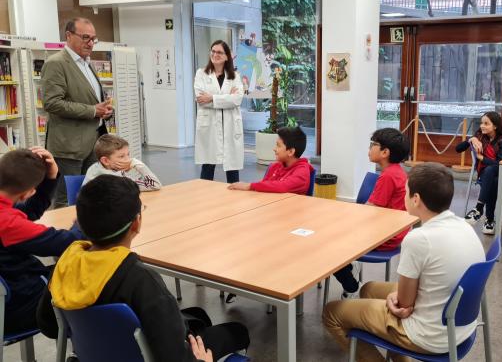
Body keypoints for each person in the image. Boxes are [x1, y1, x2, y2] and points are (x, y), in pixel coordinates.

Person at [36, 176, 250, 362]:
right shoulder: (141, 279)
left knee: (198, 316)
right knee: (237, 331)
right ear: (136, 224)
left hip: (95, 353)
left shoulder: (66, 264)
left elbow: (50, 326)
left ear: (80, 223)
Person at [322, 163, 485, 362]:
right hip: (459, 326)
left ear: (416, 199)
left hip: (429, 336)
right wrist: (396, 296)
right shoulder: (463, 226)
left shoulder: (419, 239)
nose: (404, 197)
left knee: (332, 313)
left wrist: (397, 297)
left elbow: (405, 304)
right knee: (369, 289)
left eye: (406, 192)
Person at [0, 148, 83, 335]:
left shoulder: (6, 214)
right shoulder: (8, 224)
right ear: (28, 193)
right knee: (90, 281)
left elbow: (27, 214)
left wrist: (50, 178)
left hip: (9, 294)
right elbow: (69, 242)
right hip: (16, 307)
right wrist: (83, 220)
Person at [42, 17, 113, 207]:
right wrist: (92, 111)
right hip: (68, 147)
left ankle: (83, 233)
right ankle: (64, 236)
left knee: (89, 196)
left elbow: (89, 98)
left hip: (93, 142)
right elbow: (52, 103)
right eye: (85, 38)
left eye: (94, 39)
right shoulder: (56, 63)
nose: (90, 43)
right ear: (68, 36)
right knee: (66, 200)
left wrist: (104, 111)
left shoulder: (86, 63)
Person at [332, 128, 411, 297]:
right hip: (392, 231)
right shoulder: (396, 171)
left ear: (385, 152)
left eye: (372, 145)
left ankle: (352, 287)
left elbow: (371, 209)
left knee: (330, 245)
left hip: (385, 236)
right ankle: (350, 268)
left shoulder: (388, 176)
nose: (369, 149)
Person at [194, 40, 244, 184]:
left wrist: (212, 97)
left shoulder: (234, 76)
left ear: (227, 56)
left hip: (230, 124)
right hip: (209, 124)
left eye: (219, 52)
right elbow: (201, 99)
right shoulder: (201, 74)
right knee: (208, 164)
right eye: (213, 51)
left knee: (232, 165)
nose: (215, 54)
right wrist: (226, 98)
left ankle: (235, 196)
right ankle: (205, 195)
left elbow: (237, 100)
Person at [458, 111, 502, 234]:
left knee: (491, 174)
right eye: (481, 123)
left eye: (486, 123)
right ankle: (489, 220)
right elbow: (458, 149)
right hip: (486, 175)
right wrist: (471, 139)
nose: (482, 126)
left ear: (495, 126)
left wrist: (482, 158)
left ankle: (479, 210)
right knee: (491, 179)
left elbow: (501, 165)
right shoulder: (479, 136)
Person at [228, 126, 313, 195]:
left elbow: (282, 186)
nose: (274, 149)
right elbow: (264, 187)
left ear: (290, 152)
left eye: (278, 146)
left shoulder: (302, 172)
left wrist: (249, 186)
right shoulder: (275, 166)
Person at [82, 134, 162, 191]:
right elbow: (155, 185)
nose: (128, 160)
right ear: (105, 161)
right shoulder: (109, 177)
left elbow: (154, 185)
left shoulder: (114, 170)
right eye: (121, 156)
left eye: (128, 154)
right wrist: (139, 165)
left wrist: (136, 164)